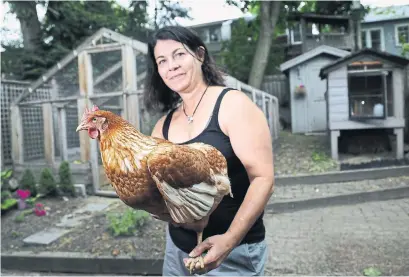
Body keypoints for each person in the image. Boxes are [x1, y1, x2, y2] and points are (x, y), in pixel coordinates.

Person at [144, 25, 275, 276]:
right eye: (162, 60)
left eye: (179, 54)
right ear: (158, 71)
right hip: (178, 251)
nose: (171, 65)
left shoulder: (232, 105)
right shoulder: (162, 127)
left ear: (200, 55)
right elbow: (158, 191)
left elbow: (263, 179)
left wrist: (230, 239)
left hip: (233, 252)